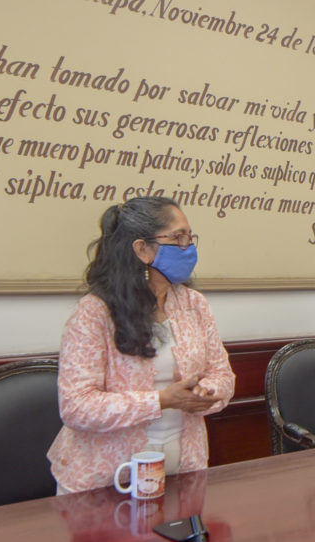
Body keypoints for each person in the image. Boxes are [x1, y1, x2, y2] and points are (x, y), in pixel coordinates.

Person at [48, 196, 235, 492]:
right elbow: (77, 406)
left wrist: (205, 392)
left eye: (190, 237)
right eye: (178, 237)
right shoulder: (94, 312)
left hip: (183, 470)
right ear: (142, 249)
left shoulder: (194, 304)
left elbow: (222, 374)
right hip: (105, 482)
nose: (189, 247)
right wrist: (161, 400)